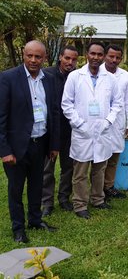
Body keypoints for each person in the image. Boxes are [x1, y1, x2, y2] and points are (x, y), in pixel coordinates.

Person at [0, 40, 59, 243]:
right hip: (16, 147)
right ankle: (18, 229)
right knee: (16, 189)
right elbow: (1, 117)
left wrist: (53, 145)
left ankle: (35, 220)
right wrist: (4, 150)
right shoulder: (8, 78)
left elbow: (54, 112)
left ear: (44, 58)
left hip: (40, 143)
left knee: (37, 185)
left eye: (38, 57)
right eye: (29, 56)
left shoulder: (49, 79)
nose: (33, 60)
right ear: (23, 55)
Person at [62, 42, 122, 219]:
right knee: (80, 171)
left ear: (103, 56)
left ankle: (98, 199)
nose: (96, 57)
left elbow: (117, 103)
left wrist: (108, 121)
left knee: (99, 168)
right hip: (82, 131)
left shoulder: (110, 78)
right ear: (86, 54)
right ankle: (80, 204)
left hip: (103, 131)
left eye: (99, 54)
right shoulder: (75, 76)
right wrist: (79, 124)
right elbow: (66, 104)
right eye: (92, 53)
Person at [41, 45, 79, 217]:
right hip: (49, 130)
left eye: (73, 59)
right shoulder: (46, 75)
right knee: (47, 168)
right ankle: (46, 202)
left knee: (68, 167)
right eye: (67, 58)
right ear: (60, 58)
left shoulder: (78, 77)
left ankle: (64, 198)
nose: (70, 62)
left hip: (70, 129)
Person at [101, 44, 128, 199]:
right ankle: (96, 190)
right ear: (105, 56)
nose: (114, 60)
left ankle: (108, 187)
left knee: (114, 157)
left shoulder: (125, 76)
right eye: (111, 56)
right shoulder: (96, 72)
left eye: (118, 57)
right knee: (99, 158)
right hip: (100, 122)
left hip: (118, 122)